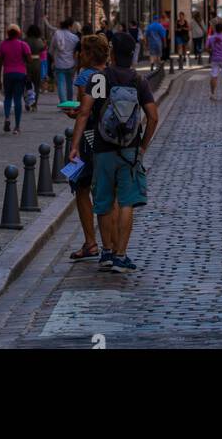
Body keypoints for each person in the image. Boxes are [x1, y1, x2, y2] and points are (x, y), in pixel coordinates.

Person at [68, 31, 159, 273]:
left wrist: (75, 145)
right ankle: (121, 255)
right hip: (129, 150)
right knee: (127, 202)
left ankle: (106, 252)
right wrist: (142, 146)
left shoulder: (100, 78)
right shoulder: (138, 81)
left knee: (104, 200)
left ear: (112, 53)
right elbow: (153, 117)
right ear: (132, 54)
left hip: (102, 148)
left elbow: (85, 112)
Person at [64, 34, 114, 264]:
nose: (79, 55)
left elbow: (83, 111)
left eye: (82, 51)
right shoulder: (110, 74)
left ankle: (91, 243)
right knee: (105, 190)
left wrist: (74, 144)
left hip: (88, 138)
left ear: (89, 54)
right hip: (109, 138)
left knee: (81, 187)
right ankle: (111, 245)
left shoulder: (85, 75)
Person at [0, 25, 31, 134]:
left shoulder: (3, 45)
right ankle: (17, 126)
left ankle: (7, 118)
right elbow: (29, 60)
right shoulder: (23, 45)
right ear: (18, 33)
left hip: (8, 74)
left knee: (7, 97)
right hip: (20, 74)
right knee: (17, 99)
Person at [49, 19, 80, 104]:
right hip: (71, 63)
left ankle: (63, 103)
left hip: (59, 63)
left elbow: (51, 49)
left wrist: (53, 59)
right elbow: (76, 51)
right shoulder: (74, 37)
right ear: (69, 26)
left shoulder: (57, 34)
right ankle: (69, 101)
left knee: (61, 84)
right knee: (69, 84)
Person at [24, 24, 46, 110]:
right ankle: (34, 105)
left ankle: (27, 101)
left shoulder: (25, 40)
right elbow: (43, 48)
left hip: (27, 63)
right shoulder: (39, 40)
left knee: (27, 84)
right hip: (37, 62)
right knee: (36, 85)